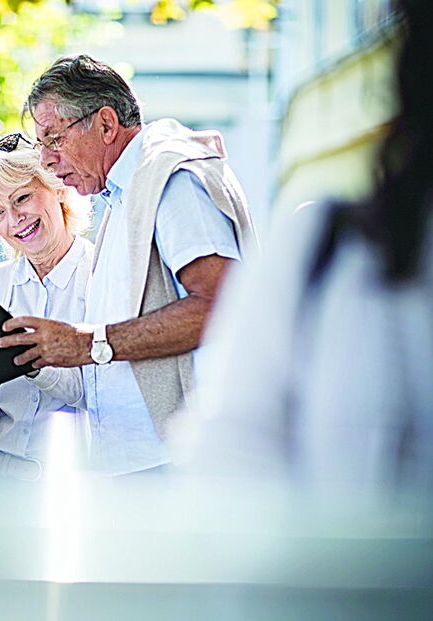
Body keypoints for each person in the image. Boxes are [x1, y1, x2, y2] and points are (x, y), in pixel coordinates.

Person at [181, 0, 432, 520]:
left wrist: (93, 345)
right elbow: (229, 465)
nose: (52, 157)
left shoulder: (177, 184)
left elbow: (212, 298)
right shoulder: (323, 250)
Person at [0, 55, 258, 475]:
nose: (44, 159)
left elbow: (221, 304)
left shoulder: (171, 178)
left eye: (52, 138)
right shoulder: (124, 192)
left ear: (104, 124)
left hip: (173, 462)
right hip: (138, 464)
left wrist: (89, 343)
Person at [0, 132, 92, 516]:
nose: (13, 219)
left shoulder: (102, 276)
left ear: (57, 188)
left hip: (70, 489)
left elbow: (106, 394)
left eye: (22, 198)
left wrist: (35, 360)